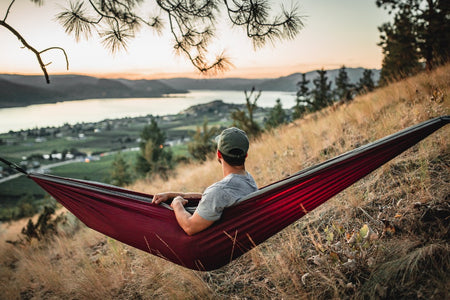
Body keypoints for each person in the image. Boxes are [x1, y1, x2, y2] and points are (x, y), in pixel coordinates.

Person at [152, 127, 258, 235]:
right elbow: (209, 198)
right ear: (246, 155)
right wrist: (171, 195)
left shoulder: (219, 191)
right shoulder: (248, 181)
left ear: (218, 154)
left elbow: (189, 227)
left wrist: (176, 203)